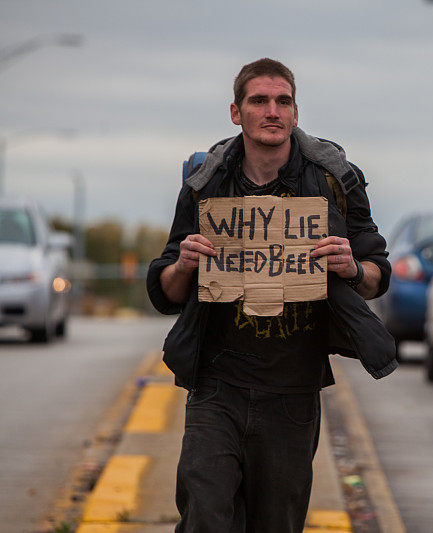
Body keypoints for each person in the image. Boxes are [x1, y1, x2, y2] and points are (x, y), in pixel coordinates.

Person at [146, 58, 397, 533]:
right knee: (205, 516)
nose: (272, 111)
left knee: (277, 523)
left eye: (283, 101)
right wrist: (183, 263)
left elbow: (377, 274)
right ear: (236, 113)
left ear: (296, 114)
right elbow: (166, 291)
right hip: (216, 384)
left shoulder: (334, 181)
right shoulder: (207, 184)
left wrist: (351, 266)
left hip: (293, 389)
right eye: (259, 100)